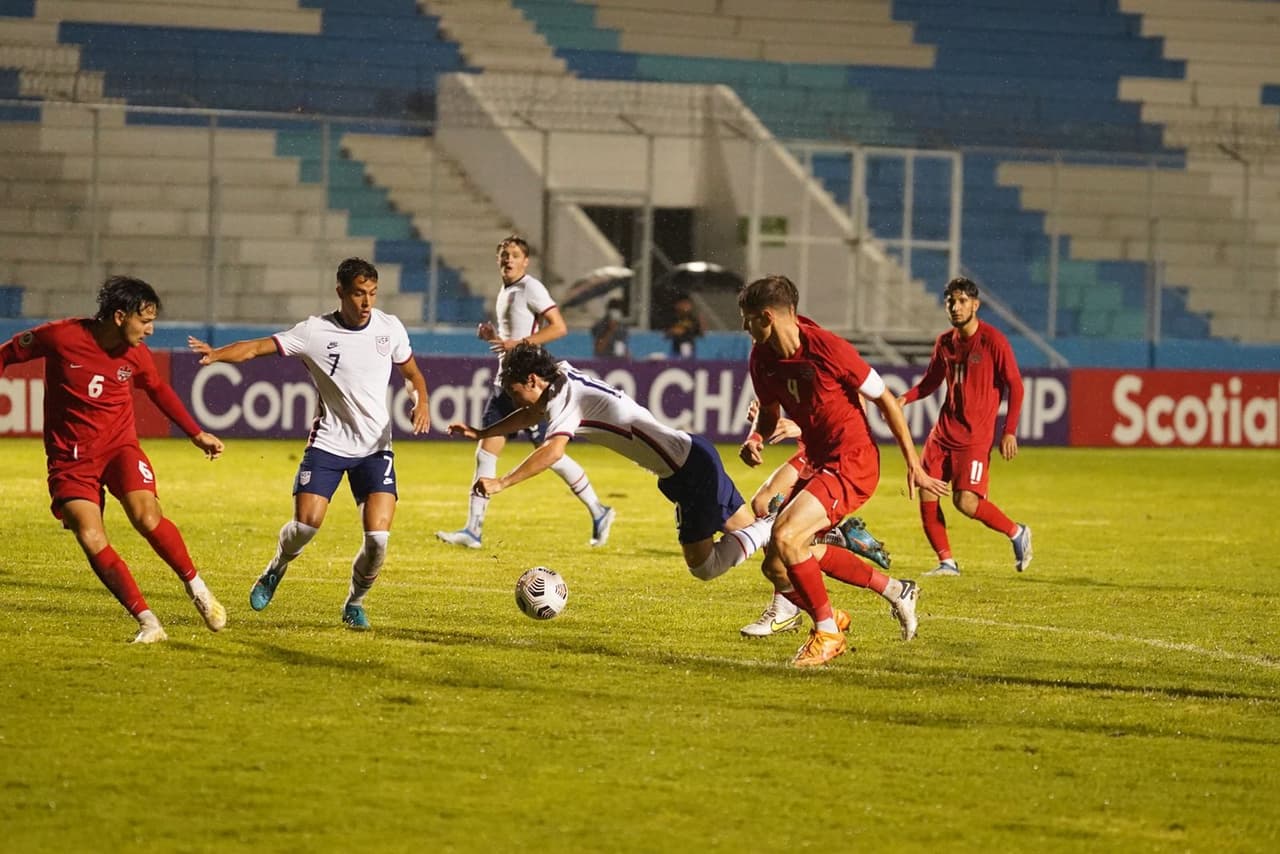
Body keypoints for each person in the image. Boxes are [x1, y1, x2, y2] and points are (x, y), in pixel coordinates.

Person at [187, 257, 430, 630]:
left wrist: (421, 401)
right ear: (340, 293)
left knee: (378, 539)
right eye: (358, 294)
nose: (367, 303)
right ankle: (275, 568)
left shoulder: (389, 328)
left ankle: (355, 602)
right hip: (329, 444)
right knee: (306, 526)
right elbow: (255, 348)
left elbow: (412, 373)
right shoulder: (314, 332)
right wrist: (217, 354)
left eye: (372, 294)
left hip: (375, 448)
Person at [0, 276, 227, 644]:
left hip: (119, 448)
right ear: (119, 316)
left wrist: (195, 433)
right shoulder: (61, 336)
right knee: (90, 535)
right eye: (145, 321)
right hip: (69, 460)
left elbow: (156, 388)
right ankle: (148, 622)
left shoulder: (135, 355)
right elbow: (7, 353)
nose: (151, 330)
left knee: (146, 515)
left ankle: (197, 588)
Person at [738, 274, 949, 667]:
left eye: (748, 319)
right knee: (776, 564)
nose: (744, 327)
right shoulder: (761, 358)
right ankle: (891, 592)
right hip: (817, 459)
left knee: (786, 536)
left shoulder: (828, 348)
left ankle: (827, 633)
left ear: (766, 316)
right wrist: (755, 439)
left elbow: (884, 400)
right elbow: (769, 416)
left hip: (851, 460)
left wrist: (913, 464)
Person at [449, 342, 777, 584]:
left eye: (515, 390)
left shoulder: (567, 398)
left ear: (533, 380)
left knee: (704, 567)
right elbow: (532, 412)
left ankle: (775, 522)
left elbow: (552, 451)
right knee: (756, 537)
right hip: (685, 465)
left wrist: (501, 482)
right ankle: (788, 596)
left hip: (690, 470)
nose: (513, 397)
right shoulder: (560, 376)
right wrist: (483, 431)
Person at [436, 235, 613, 550]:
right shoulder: (508, 291)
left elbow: (559, 327)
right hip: (507, 382)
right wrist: (495, 336)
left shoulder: (531, 287)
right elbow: (513, 338)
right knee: (487, 451)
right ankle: (473, 531)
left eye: (514, 254)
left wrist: (516, 344)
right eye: (503, 254)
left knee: (550, 454)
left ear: (525, 261)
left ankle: (599, 510)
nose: (508, 259)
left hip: (526, 386)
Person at [897, 276, 1031, 577]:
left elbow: (1016, 385)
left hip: (975, 438)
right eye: (951, 302)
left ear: (975, 304)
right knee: (926, 491)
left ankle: (1016, 532)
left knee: (966, 502)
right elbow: (932, 381)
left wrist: (1009, 430)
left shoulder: (992, 340)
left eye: (961, 301)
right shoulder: (945, 342)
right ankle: (947, 562)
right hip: (943, 434)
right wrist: (904, 399)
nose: (955, 307)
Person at [736, 399, 892, 639]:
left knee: (787, 535)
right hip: (812, 449)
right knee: (765, 504)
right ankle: (835, 540)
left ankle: (788, 608)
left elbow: (858, 403)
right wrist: (762, 422)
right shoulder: (771, 364)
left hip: (836, 453)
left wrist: (800, 427)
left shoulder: (824, 361)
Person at [665, 294, 703, 358]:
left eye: (687, 304)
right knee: (674, 365)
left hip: (689, 347)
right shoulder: (673, 318)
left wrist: (701, 323)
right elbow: (667, 334)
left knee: (688, 363)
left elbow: (700, 333)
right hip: (676, 349)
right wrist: (673, 331)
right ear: (677, 305)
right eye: (683, 303)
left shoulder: (693, 318)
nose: (686, 306)